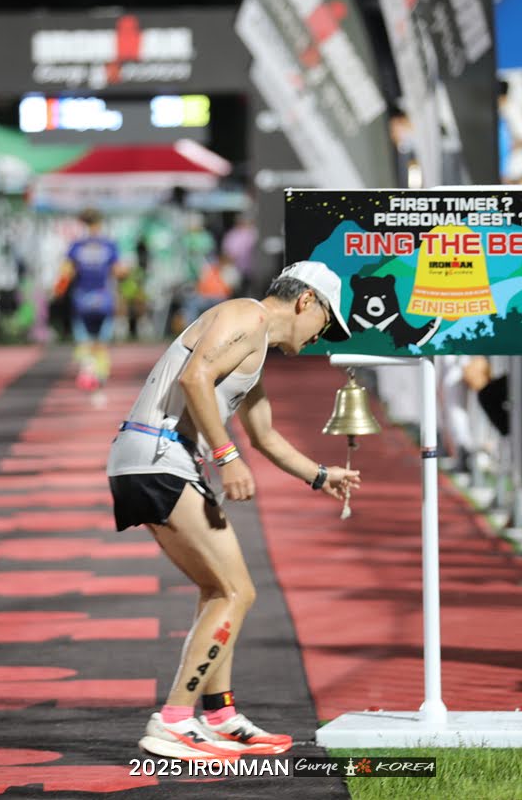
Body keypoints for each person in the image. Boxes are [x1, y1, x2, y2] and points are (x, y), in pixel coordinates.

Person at [106, 261, 359, 760]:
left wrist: (319, 475)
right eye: (326, 322)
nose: (321, 336)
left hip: (154, 459)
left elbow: (264, 436)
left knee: (219, 590)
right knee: (237, 591)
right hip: (159, 457)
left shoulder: (255, 344)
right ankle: (175, 720)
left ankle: (219, 715)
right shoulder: (247, 316)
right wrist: (227, 457)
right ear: (305, 301)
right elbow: (195, 378)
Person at [56, 208, 127, 391]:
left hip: (82, 298)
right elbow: (119, 271)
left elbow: (66, 273)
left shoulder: (76, 246)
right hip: (104, 298)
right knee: (102, 341)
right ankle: (100, 373)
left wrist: (58, 292)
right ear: (100, 223)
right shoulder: (109, 245)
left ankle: (87, 369)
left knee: (84, 340)